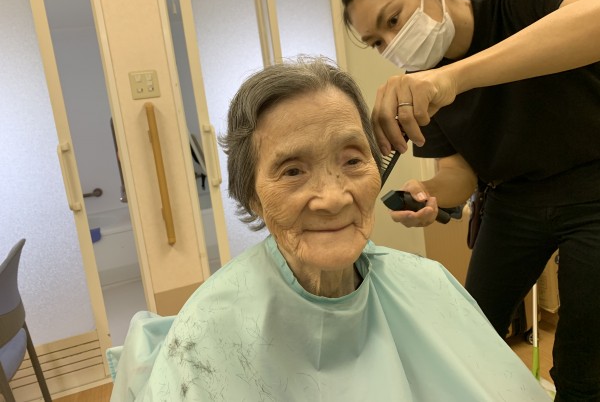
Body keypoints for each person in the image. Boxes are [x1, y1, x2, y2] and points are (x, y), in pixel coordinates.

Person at [107, 57, 550, 401]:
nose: (334, 198)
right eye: (293, 171)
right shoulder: (207, 331)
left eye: (352, 160)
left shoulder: (428, 283)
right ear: (252, 196)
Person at [341, 0, 600, 400]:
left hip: (593, 188)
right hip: (513, 201)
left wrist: (453, 79)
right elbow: (459, 173)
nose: (392, 44)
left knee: (583, 366)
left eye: (393, 20)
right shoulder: (423, 81)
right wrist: (429, 192)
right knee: (469, 333)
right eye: (377, 42)